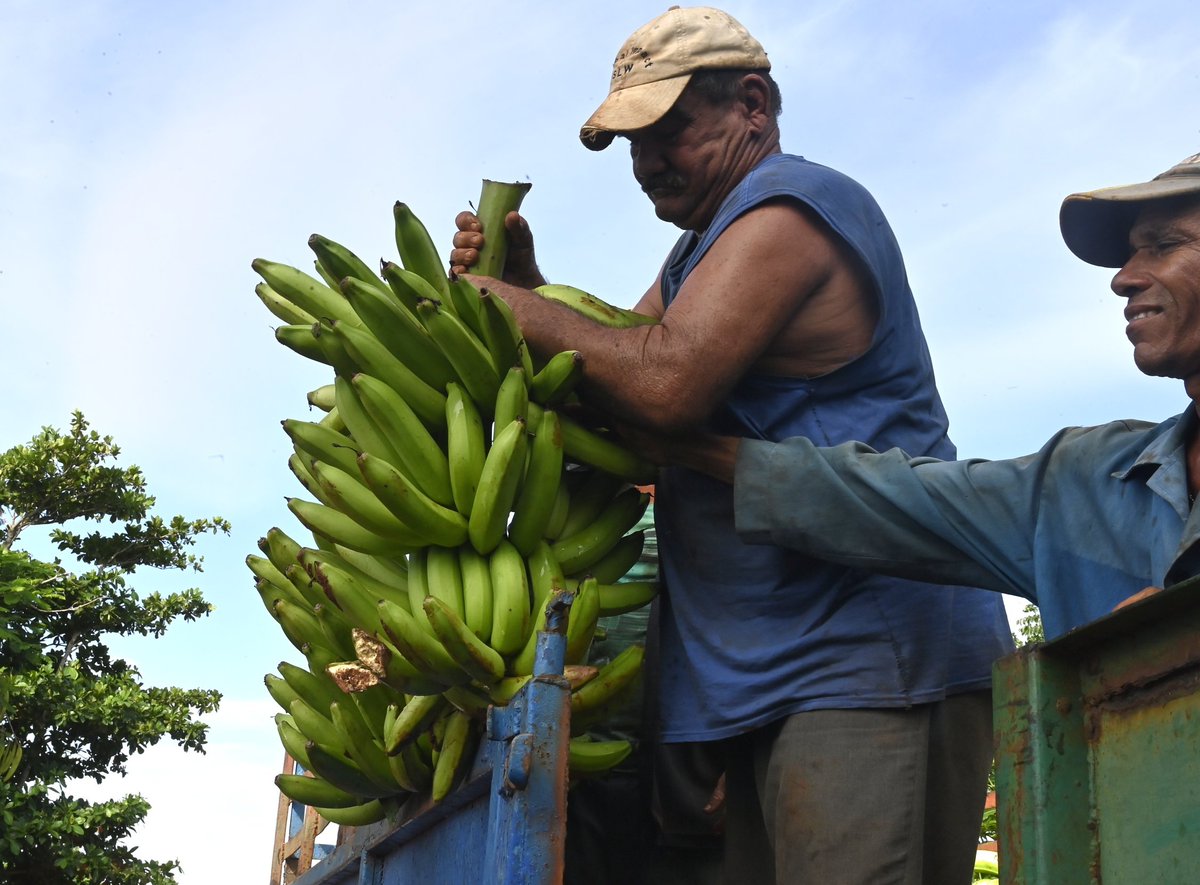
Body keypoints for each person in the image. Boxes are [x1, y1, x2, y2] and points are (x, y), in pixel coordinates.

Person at [450, 7, 1013, 883]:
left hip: (870, 660)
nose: (645, 163)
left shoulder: (795, 208)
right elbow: (608, 405)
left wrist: (512, 306)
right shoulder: (692, 257)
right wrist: (525, 294)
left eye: (667, 130)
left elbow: (663, 385)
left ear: (752, 103)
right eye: (631, 144)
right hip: (767, 674)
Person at [638, 150, 1200, 642]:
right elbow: (898, 501)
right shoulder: (1089, 481)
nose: (1123, 278)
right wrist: (691, 448)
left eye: (1164, 245)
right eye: (1131, 253)